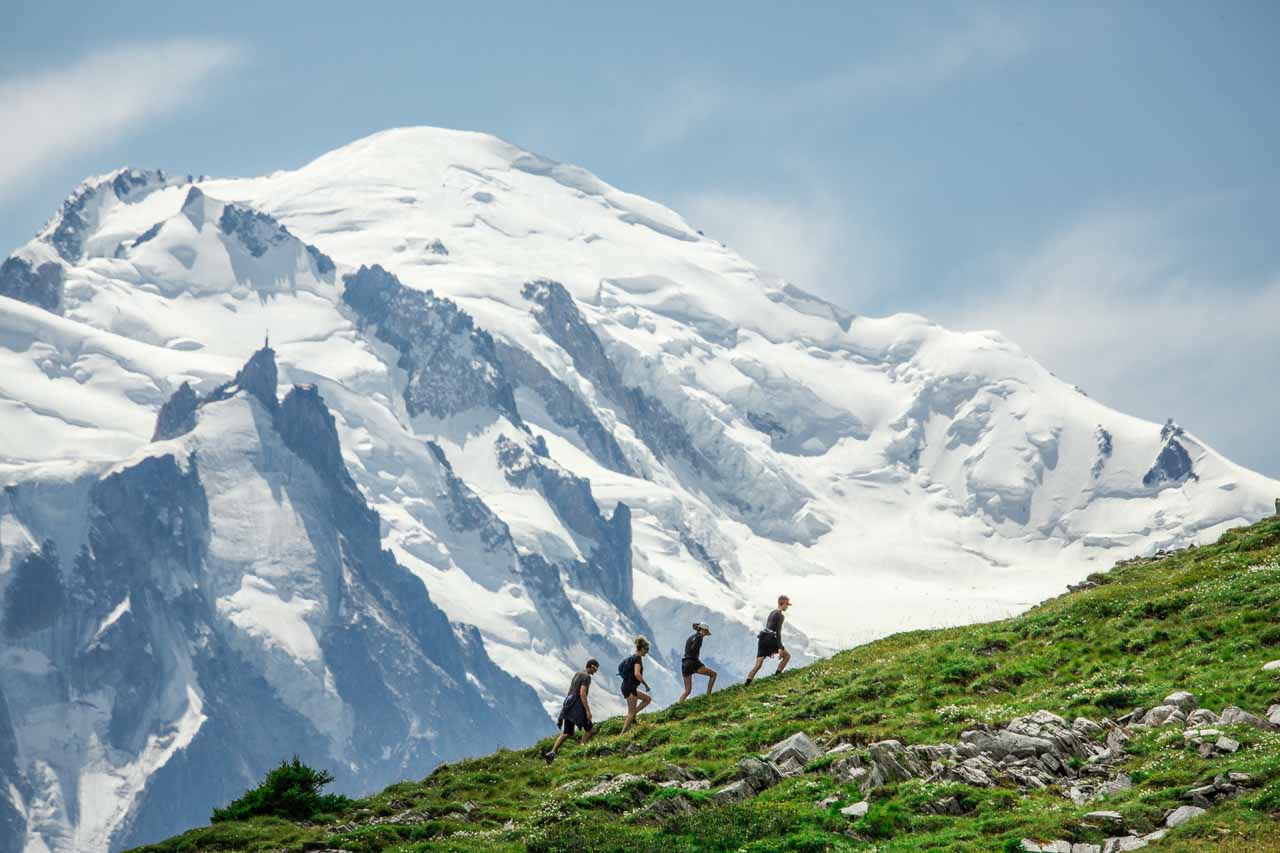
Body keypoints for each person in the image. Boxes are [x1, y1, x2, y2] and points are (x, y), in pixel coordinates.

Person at [544, 659, 598, 763]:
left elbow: (571, 690)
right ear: (591, 666)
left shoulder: (577, 674)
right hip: (578, 706)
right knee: (589, 730)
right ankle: (580, 751)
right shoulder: (586, 677)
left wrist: (565, 706)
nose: (595, 671)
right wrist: (587, 711)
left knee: (567, 732)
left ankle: (552, 752)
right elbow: (582, 693)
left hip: (569, 704)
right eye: (595, 669)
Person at [745, 595, 792, 685]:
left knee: (758, 665)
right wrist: (780, 648)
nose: (787, 607)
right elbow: (777, 632)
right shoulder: (780, 615)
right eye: (787, 604)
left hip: (762, 638)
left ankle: (747, 683)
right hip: (770, 638)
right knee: (787, 656)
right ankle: (777, 676)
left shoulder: (772, 612)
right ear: (782, 603)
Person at [619, 635, 652, 734]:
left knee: (647, 699)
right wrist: (646, 685)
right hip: (630, 688)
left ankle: (633, 715)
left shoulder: (632, 657)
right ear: (642, 648)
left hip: (627, 686)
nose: (647, 652)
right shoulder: (637, 658)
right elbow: (637, 674)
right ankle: (622, 734)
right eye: (646, 649)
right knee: (630, 713)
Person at [677, 622, 717, 702]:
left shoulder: (691, 637)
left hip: (685, 664)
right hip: (693, 662)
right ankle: (708, 696)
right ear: (702, 630)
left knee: (687, 690)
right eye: (705, 632)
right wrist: (699, 664)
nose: (705, 634)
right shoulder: (699, 638)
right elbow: (694, 650)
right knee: (713, 674)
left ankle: (678, 705)